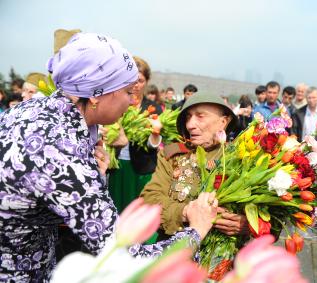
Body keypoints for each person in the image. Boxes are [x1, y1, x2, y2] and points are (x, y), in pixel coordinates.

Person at [0, 33, 217, 282]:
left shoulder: (36, 110)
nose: (133, 100)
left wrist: (95, 176)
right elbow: (125, 258)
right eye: (127, 91)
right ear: (95, 94)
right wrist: (196, 231)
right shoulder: (60, 152)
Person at [141, 92, 249, 240]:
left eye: (200, 116)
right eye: (188, 117)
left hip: (222, 259)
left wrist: (248, 224)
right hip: (176, 250)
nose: (190, 125)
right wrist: (186, 212)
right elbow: (150, 199)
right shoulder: (173, 155)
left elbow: (273, 216)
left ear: (223, 122)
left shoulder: (242, 158)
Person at [105, 57, 163, 215]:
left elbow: (153, 145)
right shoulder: (115, 102)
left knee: (140, 213)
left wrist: (155, 133)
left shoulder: (153, 109)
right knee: (117, 210)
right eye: (132, 80)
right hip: (117, 167)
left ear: (147, 81)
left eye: (140, 80)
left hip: (141, 168)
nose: (136, 85)